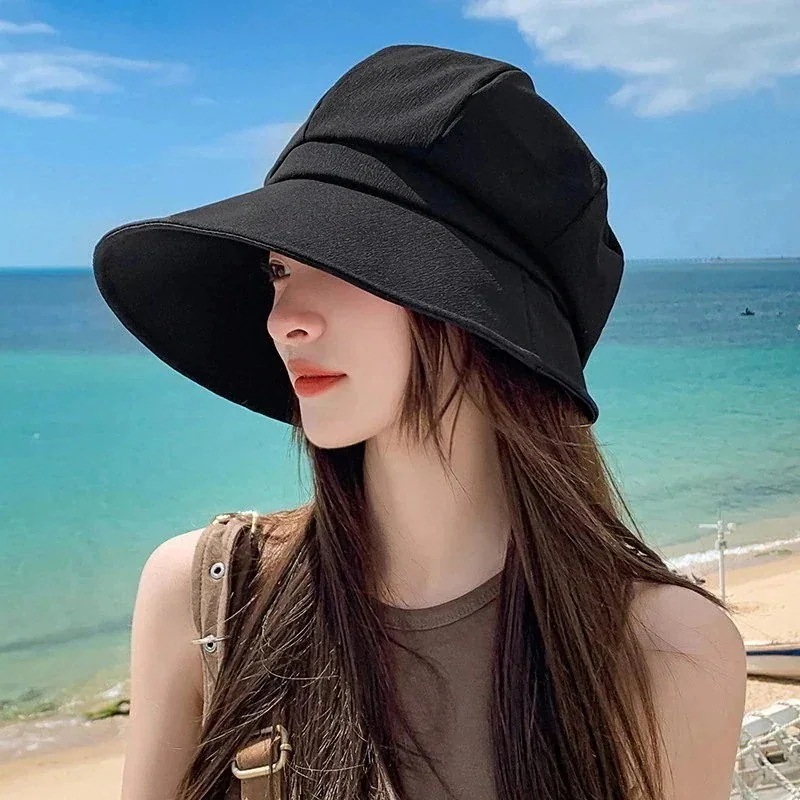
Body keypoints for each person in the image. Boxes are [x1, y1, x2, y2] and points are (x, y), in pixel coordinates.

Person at [92, 44, 747, 800]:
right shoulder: (209, 594)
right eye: (279, 269)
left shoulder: (667, 651)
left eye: (342, 261)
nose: (285, 320)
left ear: (478, 315)